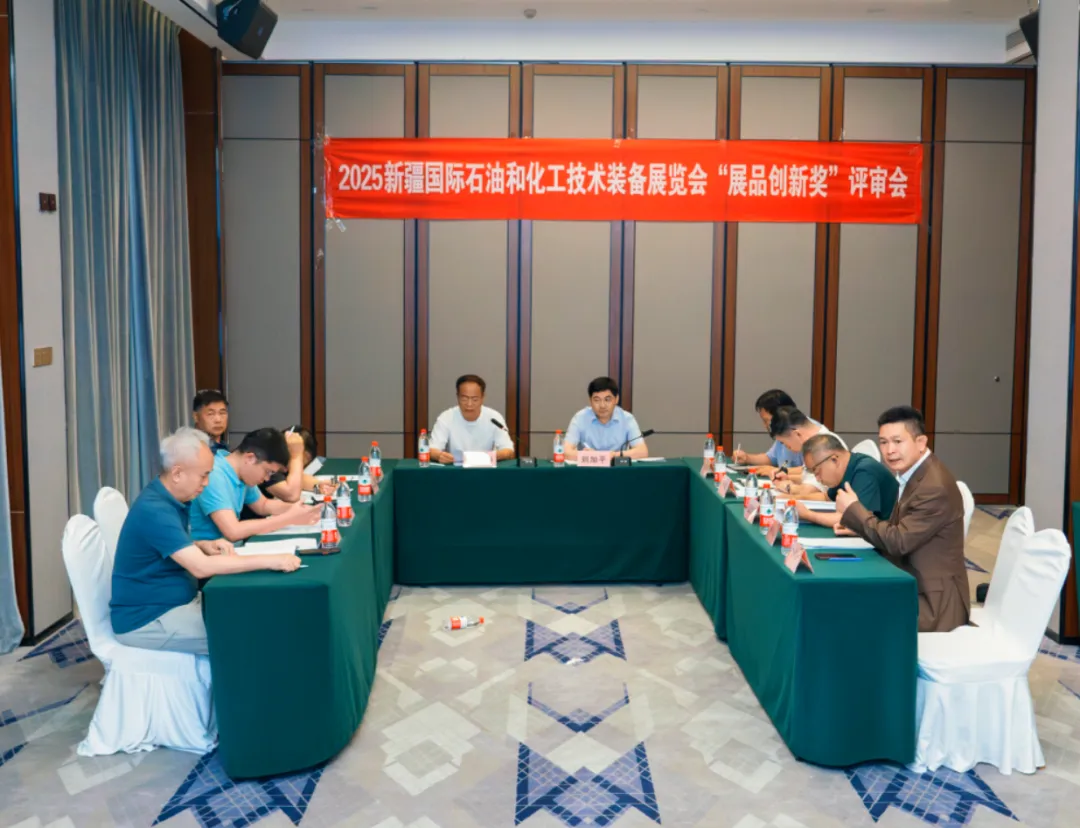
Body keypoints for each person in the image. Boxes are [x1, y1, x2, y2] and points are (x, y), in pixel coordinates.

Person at [110, 428, 302, 655]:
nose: (207, 483)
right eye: (203, 475)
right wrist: (272, 561)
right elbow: (200, 567)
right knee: (252, 633)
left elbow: (169, 547)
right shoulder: (155, 510)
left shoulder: (171, 497)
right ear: (177, 473)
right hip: (149, 618)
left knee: (256, 613)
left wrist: (202, 545)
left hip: (176, 603)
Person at [835, 406, 970, 634]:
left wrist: (854, 510)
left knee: (850, 612)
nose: (890, 451)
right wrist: (859, 526)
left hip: (933, 603)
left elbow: (898, 541)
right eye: (883, 442)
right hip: (911, 581)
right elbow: (902, 530)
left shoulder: (933, 486)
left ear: (921, 442)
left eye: (898, 441)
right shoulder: (916, 472)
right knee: (845, 597)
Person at [190, 427, 321, 542]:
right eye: (268, 471)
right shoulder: (215, 475)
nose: (267, 479)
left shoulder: (239, 471)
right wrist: (288, 518)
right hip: (208, 553)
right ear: (250, 458)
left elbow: (263, 505)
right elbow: (233, 531)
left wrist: (302, 510)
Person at [793, 434, 898, 528]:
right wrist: (793, 499)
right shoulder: (844, 468)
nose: (817, 478)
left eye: (817, 471)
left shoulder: (865, 471)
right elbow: (826, 497)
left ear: (834, 460)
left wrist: (807, 514)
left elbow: (857, 520)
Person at [429, 374, 515, 464]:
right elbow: (432, 449)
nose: (469, 404)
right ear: (457, 397)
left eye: (475, 399)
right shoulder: (446, 417)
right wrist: (440, 455)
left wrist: (491, 456)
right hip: (456, 468)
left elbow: (508, 450)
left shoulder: (494, 418)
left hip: (485, 468)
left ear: (483, 397)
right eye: (464, 398)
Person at [766, 406, 848, 495]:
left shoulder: (823, 445)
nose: (787, 447)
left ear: (797, 434)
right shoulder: (816, 441)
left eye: (783, 442)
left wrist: (787, 487)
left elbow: (809, 490)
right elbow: (810, 478)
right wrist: (788, 478)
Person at [564, 377, 649, 460]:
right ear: (590, 401)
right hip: (589, 468)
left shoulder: (627, 419)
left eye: (607, 400)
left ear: (616, 399)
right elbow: (565, 452)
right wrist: (594, 456)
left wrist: (613, 455)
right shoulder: (580, 418)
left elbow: (642, 452)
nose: (602, 405)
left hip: (618, 468)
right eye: (597, 400)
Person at [732, 389, 800, 476]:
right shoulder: (782, 429)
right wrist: (747, 458)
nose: (765, 425)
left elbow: (810, 473)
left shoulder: (807, 433)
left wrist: (777, 471)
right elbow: (771, 458)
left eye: (766, 420)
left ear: (780, 415)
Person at [192, 389, 230, 455]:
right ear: (196, 417)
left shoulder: (224, 447)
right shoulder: (190, 449)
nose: (218, 420)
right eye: (211, 414)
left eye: (222, 413)